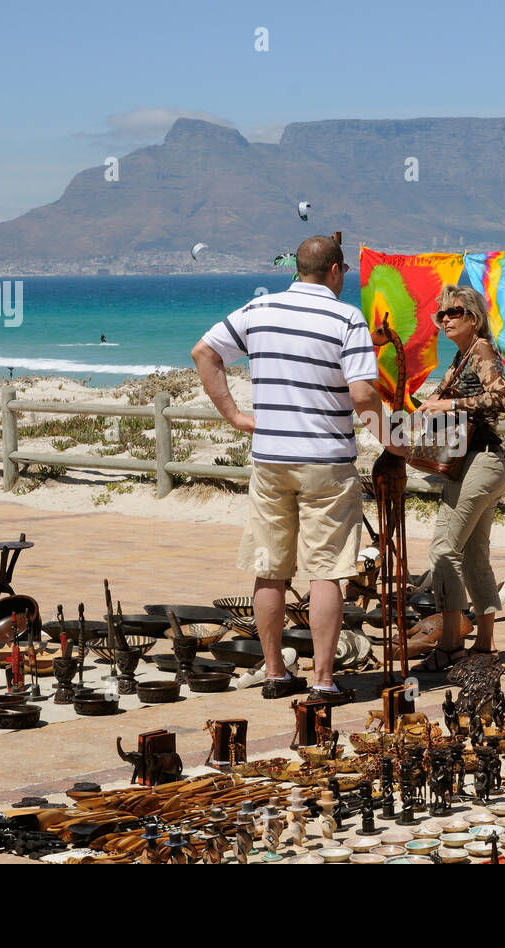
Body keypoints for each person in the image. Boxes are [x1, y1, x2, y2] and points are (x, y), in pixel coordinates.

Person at [193, 235, 407, 702]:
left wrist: (234, 415)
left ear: (296, 267)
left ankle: (274, 674)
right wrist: (394, 442)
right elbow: (364, 395)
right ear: (335, 271)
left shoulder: (258, 310)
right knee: (326, 571)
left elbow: (204, 354)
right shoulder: (345, 316)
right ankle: (324, 682)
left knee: (270, 570)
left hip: (270, 459)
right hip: (326, 461)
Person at [413, 285, 505, 671]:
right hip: (475, 464)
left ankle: (451, 645)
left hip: (481, 462)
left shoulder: (482, 350)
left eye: (454, 312)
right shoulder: (461, 357)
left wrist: (447, 403)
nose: (446, 319)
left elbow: (501, 397)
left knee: (443, 550)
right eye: (441, 314)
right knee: (473, 556)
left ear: (474, 317)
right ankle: (484, 647)